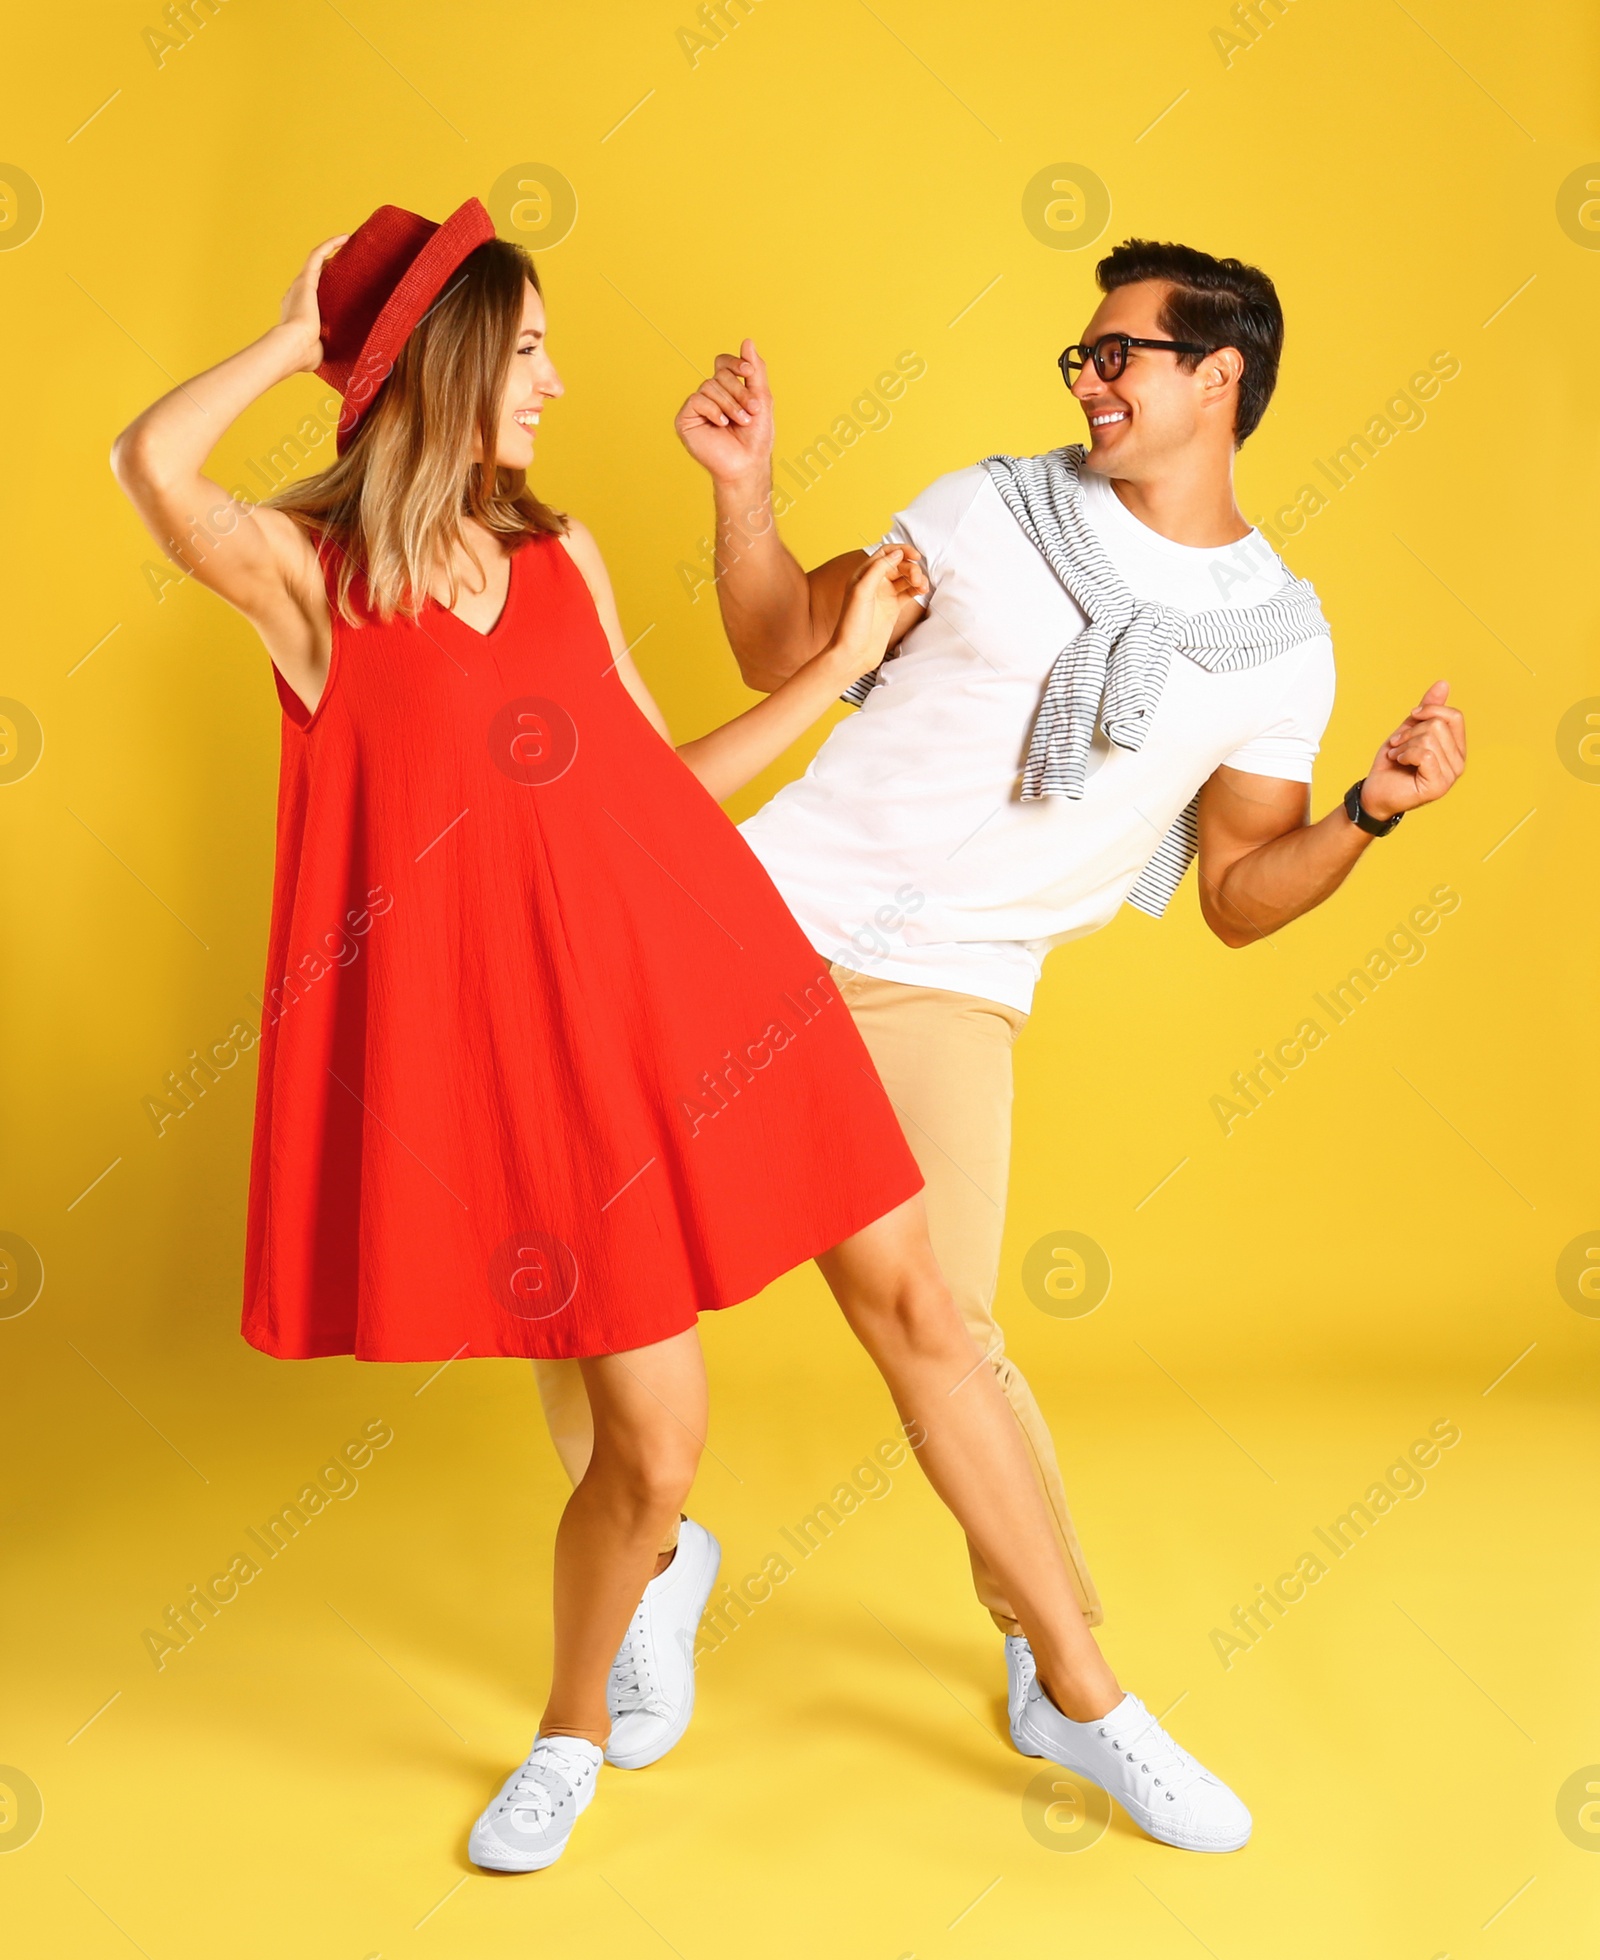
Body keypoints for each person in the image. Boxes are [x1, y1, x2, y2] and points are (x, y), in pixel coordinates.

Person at [110, 201, 1251, 1875]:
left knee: (928, 1300)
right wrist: (300, 340)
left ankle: (1089, 1690)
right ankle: (573, 1730)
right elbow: (151, 464)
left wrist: (849, 662)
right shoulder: (311, 581)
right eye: (525, 353)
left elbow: (668, 798)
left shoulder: (562, 559)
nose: (555, 385)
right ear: (432, 365)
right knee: (652, 1453)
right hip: (547, 1076)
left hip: (715, 988)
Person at [539, 236, 1467, 1821]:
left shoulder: (1278, 642)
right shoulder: (986, 508)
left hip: (953, 989)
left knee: (947, 1339)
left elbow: (1240, 893)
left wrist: (1374, 815)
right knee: (587, 1266)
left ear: (1219, 377)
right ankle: (650, 1559)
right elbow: (786, 649)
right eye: (1082, 358)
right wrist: (745, 491)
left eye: (1121, 355)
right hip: (741, 928)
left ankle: (1057, 1666)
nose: (1089, 381)